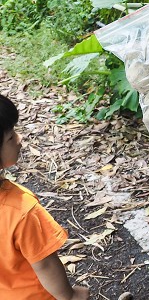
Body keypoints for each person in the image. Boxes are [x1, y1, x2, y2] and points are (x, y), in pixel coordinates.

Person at [0, 94, 90, 300]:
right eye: (10, 137)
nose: (19, 139)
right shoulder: (20, 211)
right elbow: (44, 263)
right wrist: (70, 295)